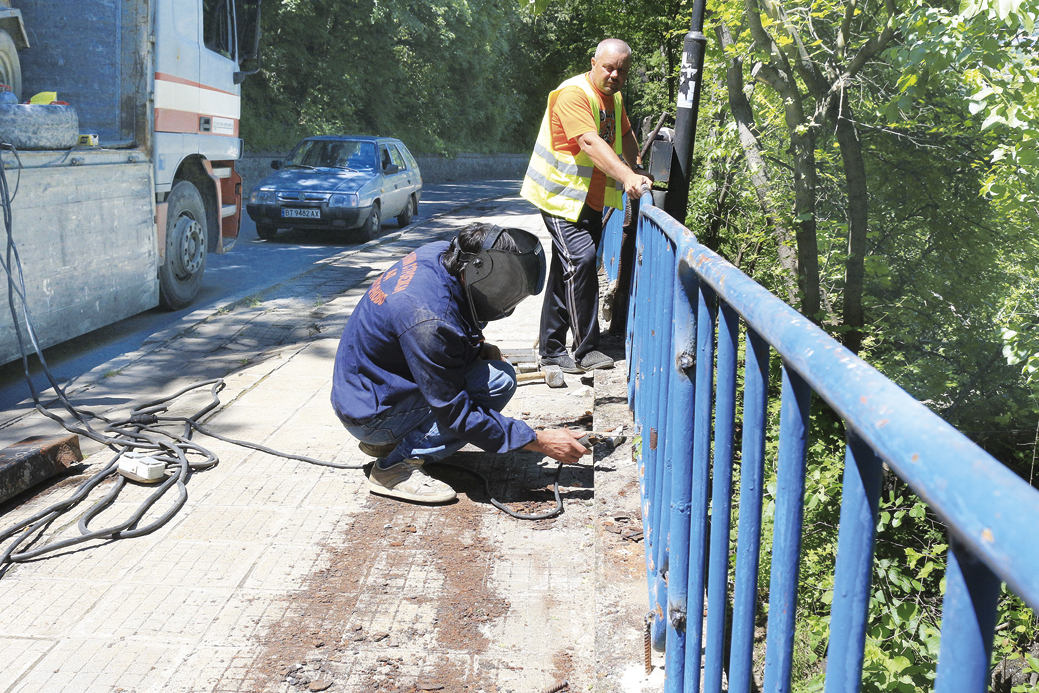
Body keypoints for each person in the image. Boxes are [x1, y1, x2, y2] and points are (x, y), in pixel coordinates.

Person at [331, 222, 590, 504]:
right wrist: (537, 441)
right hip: (372, 415)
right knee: (497, 382)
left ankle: (392, 440)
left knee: (489, 372)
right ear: (479, 269)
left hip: (365, 390)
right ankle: (394, 467)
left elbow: (451, 318)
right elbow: (456, 412)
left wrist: (474, 348)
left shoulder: (443, 254)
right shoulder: (429, 320)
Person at [521, 38, 653, 374]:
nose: (614, 75)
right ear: (593, 63)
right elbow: (590, 142)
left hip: (588, 201)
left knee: (565, 271)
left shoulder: (614, 98)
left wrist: (637, 166)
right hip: (560, 199)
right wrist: (627, 177)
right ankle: (586, 350)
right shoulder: (573, 94)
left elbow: (626, 133)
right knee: (582, 261)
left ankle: (552, 350)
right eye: (608, 67)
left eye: (621, 70)